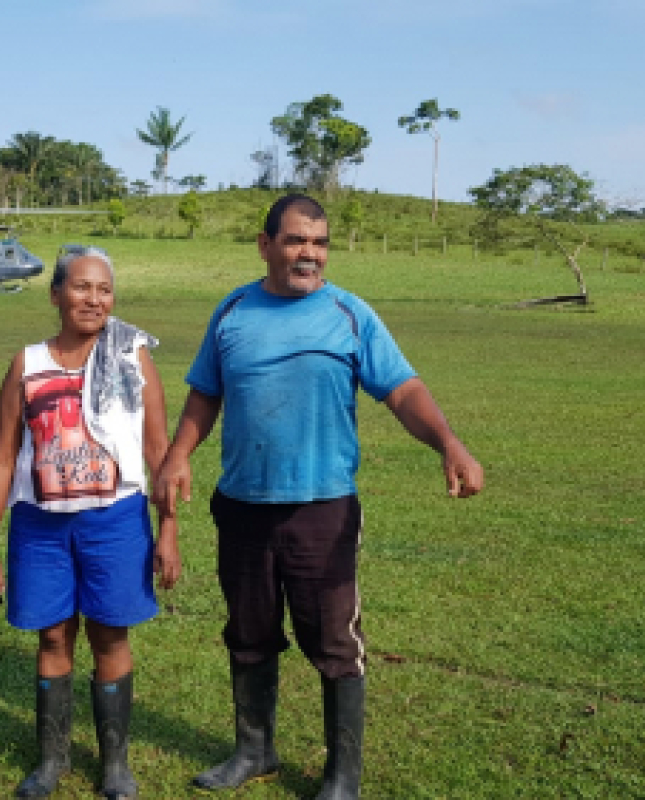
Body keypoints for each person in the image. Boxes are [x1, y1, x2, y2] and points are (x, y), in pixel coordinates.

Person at [152, 194, 484, 800]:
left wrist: (449, 444)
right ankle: (254, 750)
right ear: (266, 244)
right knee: (248, 632)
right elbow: (206, 393)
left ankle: (341, 776)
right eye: (297, 241)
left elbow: (402, 391)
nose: (310, 253)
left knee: (333, 640)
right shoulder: (232, 312)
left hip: (322, 508)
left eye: (320, 243)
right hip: (243, 504)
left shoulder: (350, 314)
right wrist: (177, 456)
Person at [0, 245, 180, 799]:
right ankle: (52, 759)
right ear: (56, 294)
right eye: (82, 287)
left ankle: (115, 764)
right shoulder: (28, 363)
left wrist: (168, 530)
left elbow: (159, 451)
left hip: (115, 522)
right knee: (52, 634)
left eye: (104, 290)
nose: (94, 298)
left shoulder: (132, 358)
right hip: (40, 526)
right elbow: (1, 457)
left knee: (111, 634)